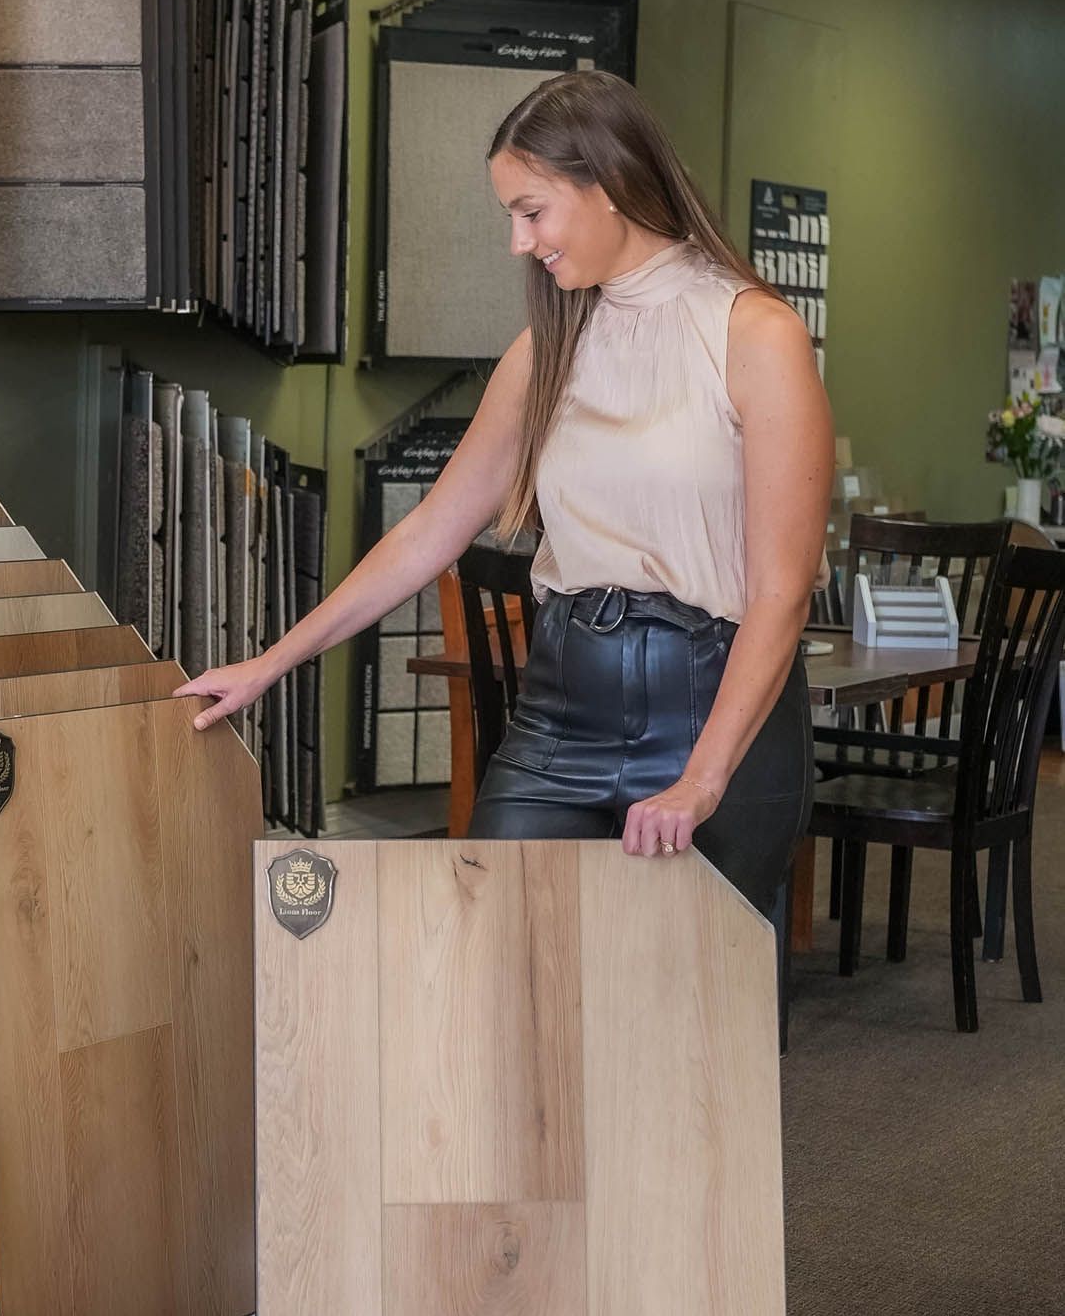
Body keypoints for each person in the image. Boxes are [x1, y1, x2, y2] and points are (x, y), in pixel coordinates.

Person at [175, 70, 833, 919]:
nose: (519, 243)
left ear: (609, 186)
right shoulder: (548, 347)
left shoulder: (755, 334)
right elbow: (427, 534)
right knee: (500, 969)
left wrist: (701, 782)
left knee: (690, 1021)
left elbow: (780, 592)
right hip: (562, 709)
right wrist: (270, 663)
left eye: (532, 212)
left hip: (714, 711)